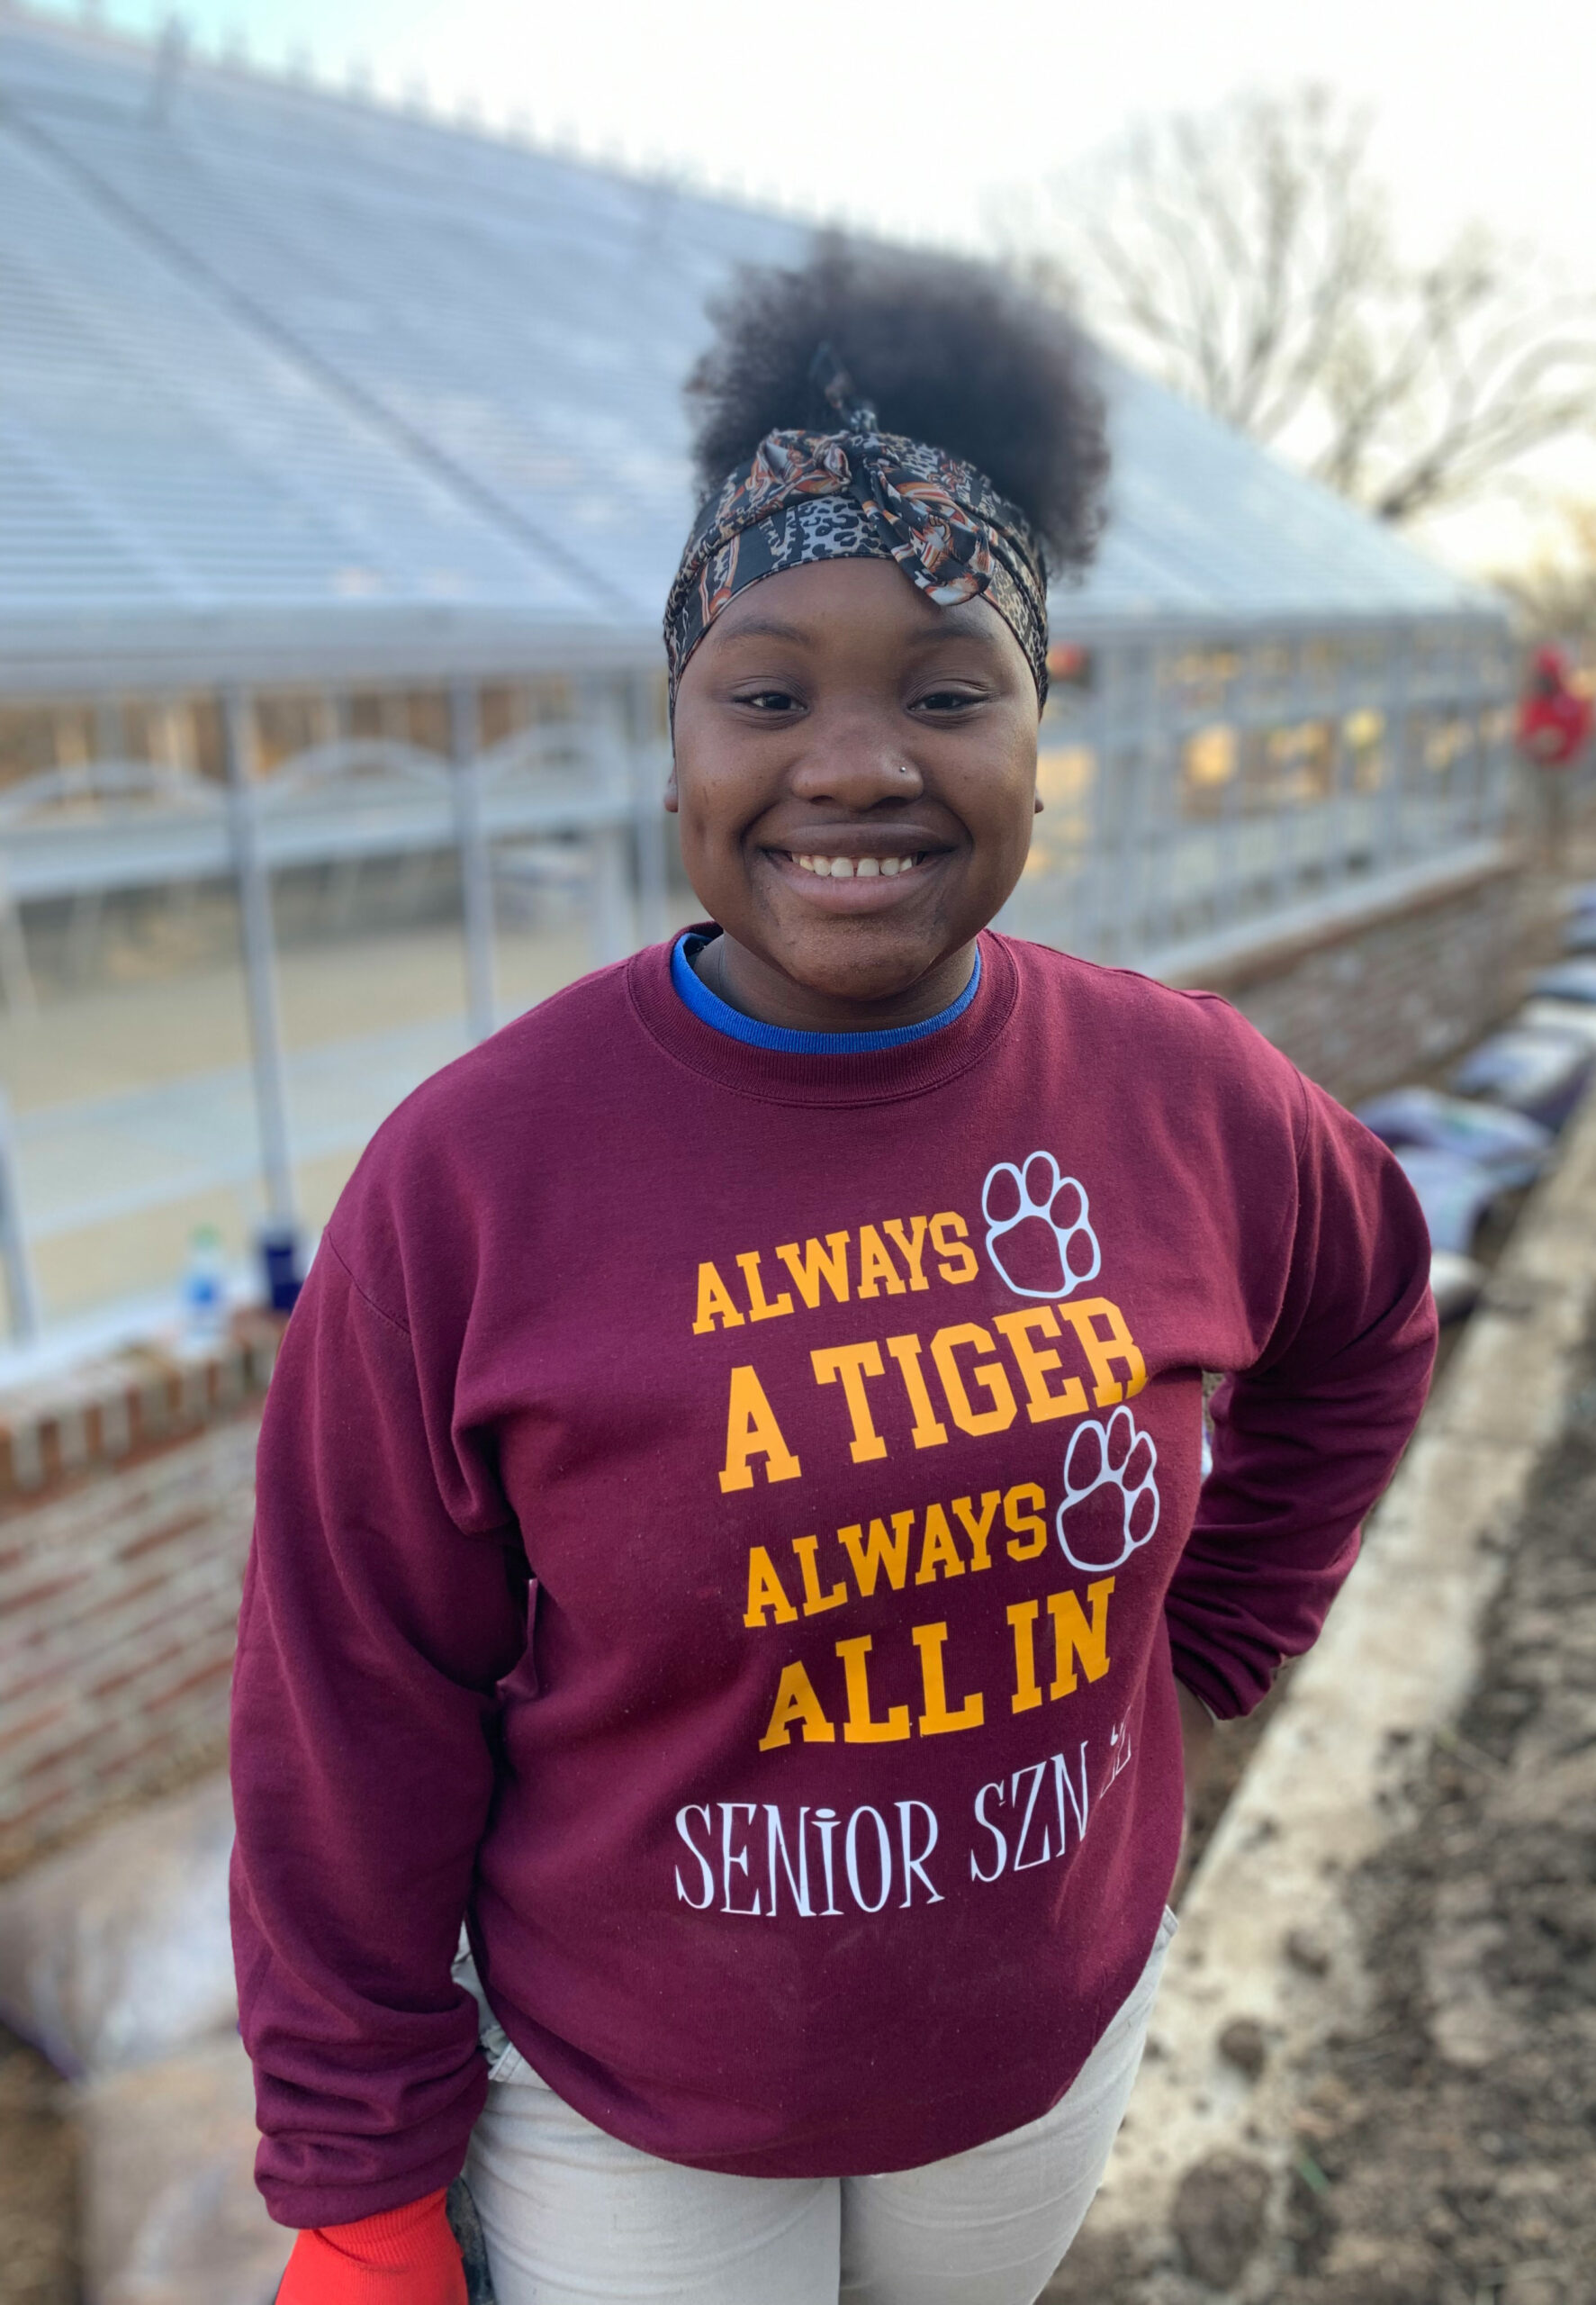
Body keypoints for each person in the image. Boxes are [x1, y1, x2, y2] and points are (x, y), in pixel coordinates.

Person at [234, 246, 1437, 2305]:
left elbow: (1369, 1317)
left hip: (1034, 2058)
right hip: (633, 2117)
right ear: (677, 740)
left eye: (947, 687)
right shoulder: (478, 1175)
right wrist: (355, 2180)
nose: (858, 761)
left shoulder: (1182, 1092)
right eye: (769, 688)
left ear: (1040, 726)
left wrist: (1217, 1640)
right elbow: (352, 1697)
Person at [1516, 642, 1596, 867]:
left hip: (1562, 766)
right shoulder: (1534, 701)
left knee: (1560, 811)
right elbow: (1523, 734)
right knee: (1535, 812)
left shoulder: (1570, 701)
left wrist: (1560, 742)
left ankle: (1558, 856)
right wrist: (1534, 743)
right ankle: (1534, 857)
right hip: (1537, 767)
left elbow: (1581, 730)